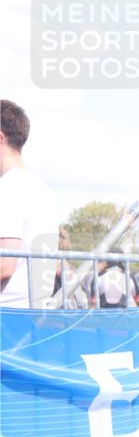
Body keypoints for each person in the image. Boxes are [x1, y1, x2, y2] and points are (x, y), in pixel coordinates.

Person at [0, 99, 60, 308]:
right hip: (32, 315)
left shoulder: (7, 189)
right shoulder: (44, 190)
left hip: (7, 316)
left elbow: (5, 265)